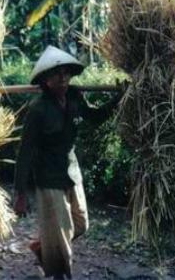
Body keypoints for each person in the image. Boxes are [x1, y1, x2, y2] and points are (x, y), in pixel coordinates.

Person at [14, 46, 123, 279]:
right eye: (56, 74)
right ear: (45, 80)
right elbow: (25, 153)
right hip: (48, 177)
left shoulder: (74, 96)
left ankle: (45, 247)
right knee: (62, 236)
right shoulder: (38, 110)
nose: (62, 77)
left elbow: (95, 117)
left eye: (65, 72)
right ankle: (62, 273)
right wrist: (20, 194)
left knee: (81, 224)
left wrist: (119, 98)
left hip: (71, 172)